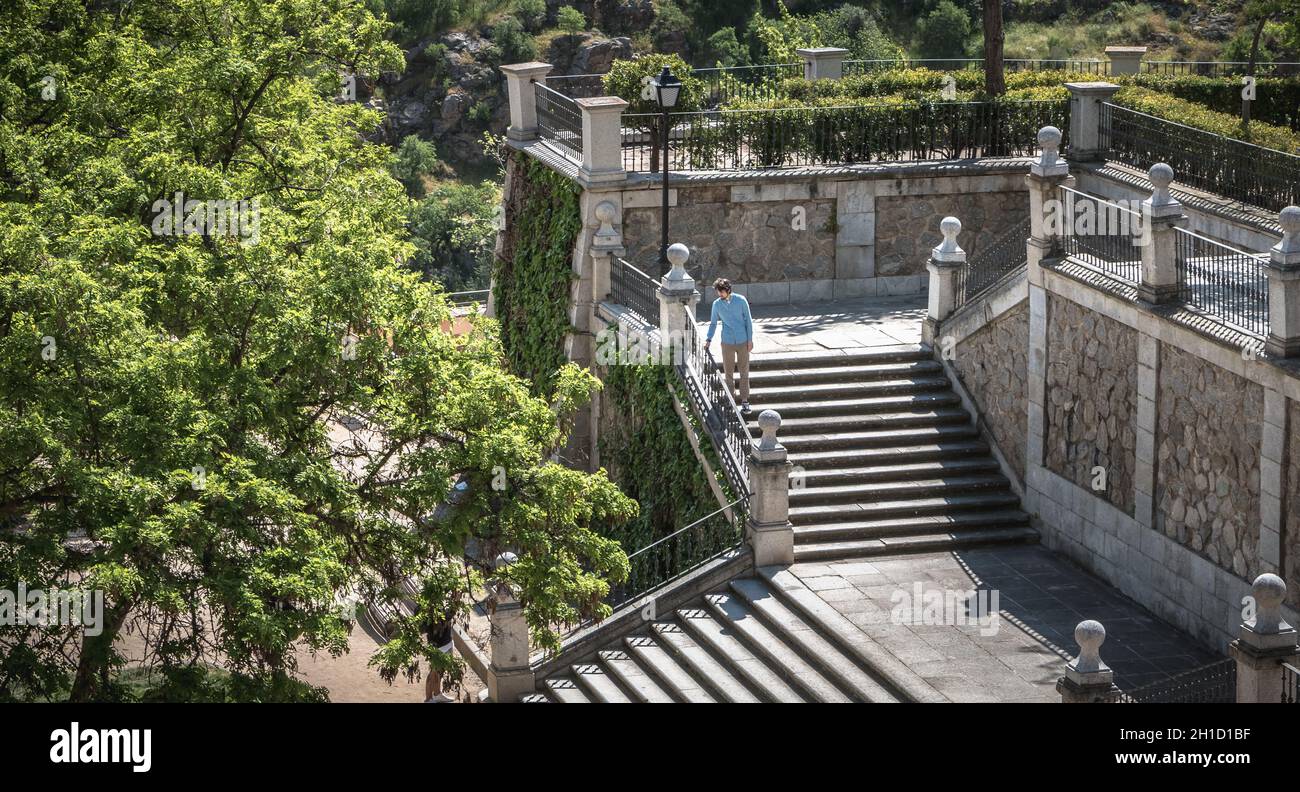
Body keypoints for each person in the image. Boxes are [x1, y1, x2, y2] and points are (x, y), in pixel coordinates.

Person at [704, 278, 754, 413]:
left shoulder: (741, 300)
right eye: (718, 292)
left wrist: (750, 340)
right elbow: (713, 323)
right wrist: (708, 339)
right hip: (727, 342)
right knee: (729, 373)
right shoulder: (716, 304)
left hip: (743, 340)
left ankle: (745, 401)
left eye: (721, 291)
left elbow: (748, 321)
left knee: (744, 372)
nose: (719, 294)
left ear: (728, 290)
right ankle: (731, 401)